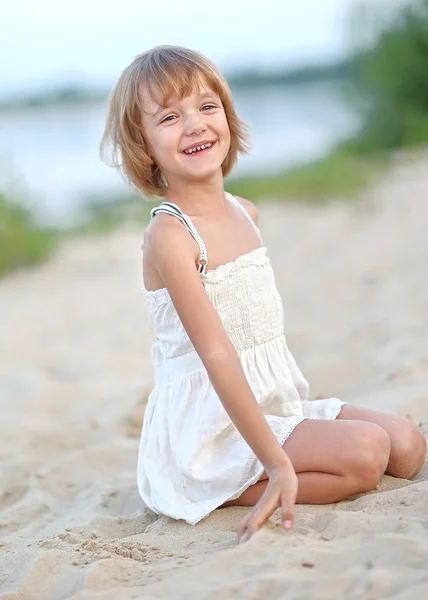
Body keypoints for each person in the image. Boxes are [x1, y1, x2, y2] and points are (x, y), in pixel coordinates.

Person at [100, 45, 426, 542]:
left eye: (207, 107)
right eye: (169, 117)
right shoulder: (171, 235)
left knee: (404, 445)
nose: (194, 125)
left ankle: (278, 458)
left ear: (227, 117)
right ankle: (210, 485)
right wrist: (275, 461)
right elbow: (216, 354)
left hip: (272, 399)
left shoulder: (244, 211)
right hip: (213, 423)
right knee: (364, 456)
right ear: (143, 145)